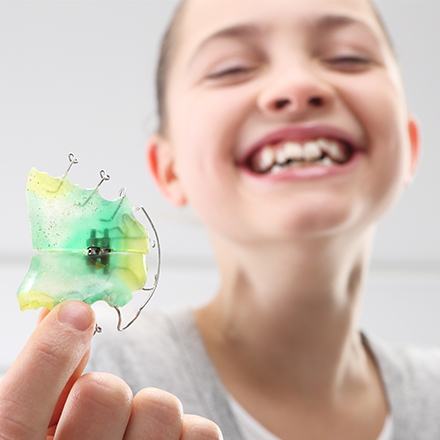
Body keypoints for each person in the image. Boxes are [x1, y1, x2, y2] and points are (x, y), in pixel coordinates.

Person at [1, 0, 439, 438]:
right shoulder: (71, 393)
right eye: (231, 68)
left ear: (410, 144)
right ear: (169, 169)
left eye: (348, 56)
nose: (298, 85)